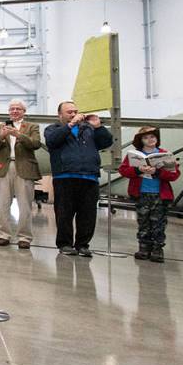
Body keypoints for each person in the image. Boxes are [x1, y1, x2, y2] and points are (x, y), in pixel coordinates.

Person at [44, 101, 113, 257]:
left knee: (88, 214)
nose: (74, 114)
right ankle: (65, 244)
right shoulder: (52, 129)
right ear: (60, 115)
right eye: (69, 112)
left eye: (75, 111)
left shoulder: (88, 129)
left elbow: (106, 142)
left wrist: (98, 126)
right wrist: (70, 126)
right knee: (64, 213)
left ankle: (83, 244)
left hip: (89, 176)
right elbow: (52, 141)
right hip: (65, 176)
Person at [119, 126, 180, 263]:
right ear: (141, 140)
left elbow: (174, 175)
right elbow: (123, 171)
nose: (150, 139)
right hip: (141, 194)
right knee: (143, 222)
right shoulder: (133, 155)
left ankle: (158, 249)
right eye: (146, 137)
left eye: (152, 137)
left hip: (159, 194)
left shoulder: (165, 154)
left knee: (158, 223)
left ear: (157, 138)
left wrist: (158, 172)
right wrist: (138, 169)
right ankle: (144, 247)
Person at [0, 99, 42, 249]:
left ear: (24, 111)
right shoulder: (0, 127)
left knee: (25, 205)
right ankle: (3, 235)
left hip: (24, 168)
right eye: (12, 109)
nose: (15, 111)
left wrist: (18, 135)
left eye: (18, 108)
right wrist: (2, 136)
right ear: (9, 111)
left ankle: (24, 237)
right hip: (4, 168)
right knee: (3, 204)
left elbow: (35, 144)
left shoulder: (32, 126)